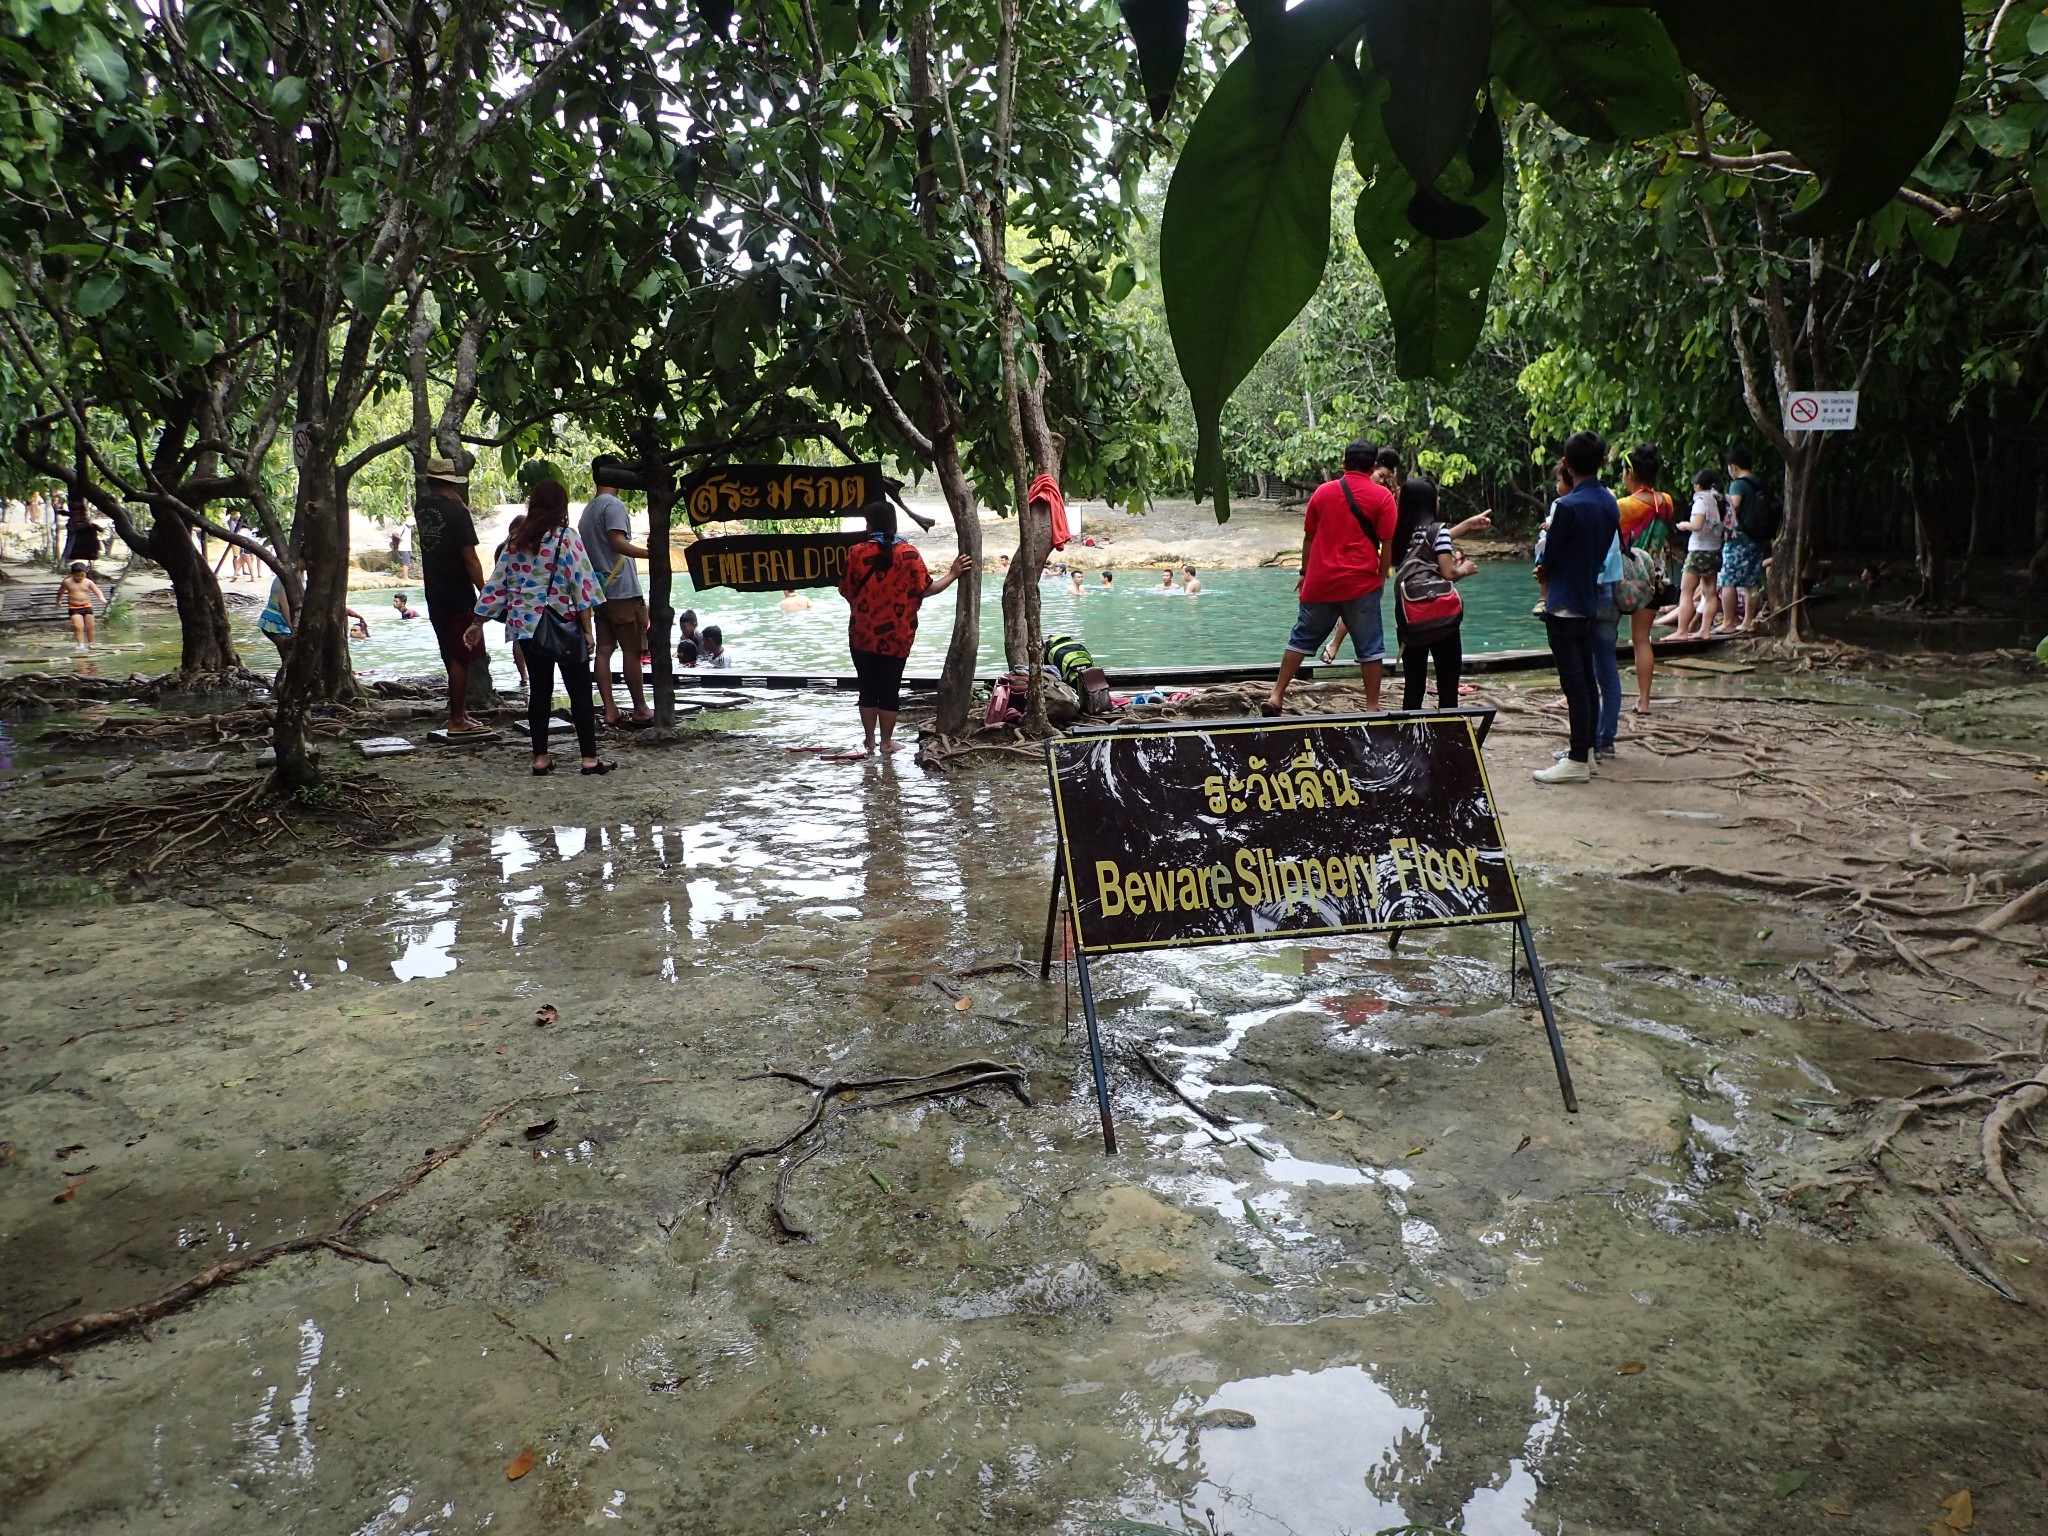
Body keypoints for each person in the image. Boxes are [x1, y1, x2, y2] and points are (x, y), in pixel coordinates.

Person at [466, 479, 612, 776]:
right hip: (563, 624)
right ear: (561, 506)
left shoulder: (514, 542)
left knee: (540, 691)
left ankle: (541, 758)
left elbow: (497, 586)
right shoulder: (565, 538)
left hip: (527, 630)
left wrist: (477, 622)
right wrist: (588, 631)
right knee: (579, 692)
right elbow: (582, 586)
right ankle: (589, 759)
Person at [1265, 440, 1397, 716]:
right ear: (1373, 466)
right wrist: (1381, 578)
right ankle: (1372, 707)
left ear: (1343, 464)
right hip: (1361, 584)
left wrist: (1304, 573)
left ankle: (1277, 696)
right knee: (1370, 648)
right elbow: (1387, 543)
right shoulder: (1383, 497)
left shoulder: (1322, 493)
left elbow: (1309, 538)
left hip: (1320, 583)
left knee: (1300, 639)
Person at [837, 500, 972, 755]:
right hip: (898, 635)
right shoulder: (908, 553)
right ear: (893, 523)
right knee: (890, 687)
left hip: (862, 634)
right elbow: (927, 589)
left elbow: (847, 590)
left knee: (867, 686)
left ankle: (870, 741)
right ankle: (887, 743)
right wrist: (953, 573)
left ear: (869, 524)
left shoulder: (857, 552)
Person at [1532, 432, 1620, 784]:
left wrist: (1544, 568)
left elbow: (1549, 556)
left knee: (1574, 682)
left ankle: (1578, 759)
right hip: (1589, 595)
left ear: (1566, 464)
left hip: (1564, 599)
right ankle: (1586, 751)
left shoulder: (1568, 507)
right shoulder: (1609, 502)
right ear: (1601, 462)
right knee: (1586, 676)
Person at [414, 459, 491, 738]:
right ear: (451, 484)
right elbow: (469, 557)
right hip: (457, 591)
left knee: (451, 651)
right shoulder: (457, 512)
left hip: (434, 590)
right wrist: (485, 590)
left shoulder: (422, 508)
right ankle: (457, 718)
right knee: (462, 654)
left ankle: (461, 714)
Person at [1389, 480, 1479, 711]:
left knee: (1413, 686)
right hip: (1440, 618)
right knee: (1448, 685)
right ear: (1429, 503)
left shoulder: (1399, 532)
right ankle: (1448, 738)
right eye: (1436, 498)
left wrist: (1466, 525)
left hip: (1410, 617)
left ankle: (1410, 737)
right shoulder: (1438, 530)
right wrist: (1464, 569)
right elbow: (1448, 573)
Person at [577, 462, 655, 728]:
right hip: (623, 590)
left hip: (601, 592)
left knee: (604, 650)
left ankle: (610, 709)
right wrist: (649, 554)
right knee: (633, 651)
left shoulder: (587, 511)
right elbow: (617, 542)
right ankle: (641, 708)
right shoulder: (613, 506)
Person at [1614, 445, 1674, 719]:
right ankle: (1645, 701)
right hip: (1658, 576)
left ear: (1631, 474)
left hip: (1630, 579)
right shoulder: (1667, 501)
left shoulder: (1625, 506)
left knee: (1615, 638)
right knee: (1643, 640)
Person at [1673, 469, 1727, 638]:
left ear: (1698, 485)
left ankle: (1682, 631)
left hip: (1698, 551)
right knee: (1709, 592)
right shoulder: (1719, 500)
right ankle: (1705, 630)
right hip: (1715, 549)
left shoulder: (1701, 501)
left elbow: (1697, 525)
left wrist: (1684, 525)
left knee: (1686, 592)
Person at [1718, 449, 1767, 633]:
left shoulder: (1738, 484)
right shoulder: (1759, 483)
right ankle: (1748, 622)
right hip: (1757, 537)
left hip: (1739, 539)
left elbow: (1734, 506)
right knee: (1751, 582)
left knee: (1728, 581)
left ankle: (1728, 623)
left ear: (1733, 467)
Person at [57, 562, 105, 652]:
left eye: (82, 575)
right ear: (72, 574)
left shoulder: (88, 582)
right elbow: (60, 592)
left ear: (85, 573)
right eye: (77, 576)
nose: (80, 578)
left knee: (90, 626)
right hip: (74, 607)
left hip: (87, 606)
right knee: (78, 627)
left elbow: (97, 590)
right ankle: (80, 645)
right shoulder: (67, 582)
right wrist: (58, 601)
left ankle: (92, 643)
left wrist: (101, 598)